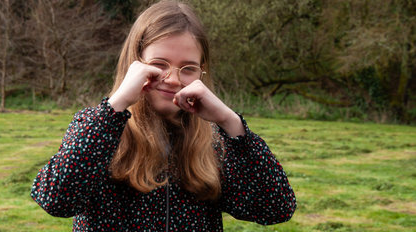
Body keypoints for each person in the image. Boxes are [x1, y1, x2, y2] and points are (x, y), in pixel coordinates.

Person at [31, 1, 296, 231]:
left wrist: (230, 123)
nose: (172, 79)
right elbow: (56, 199)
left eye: (188, 68)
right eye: (159, 64)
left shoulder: (215, 143)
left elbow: (276, 208)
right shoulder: (98, 128)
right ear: (135, 63)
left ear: (202, 72)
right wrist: (117, 106)